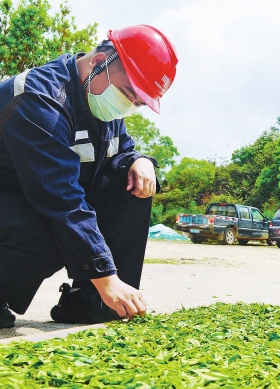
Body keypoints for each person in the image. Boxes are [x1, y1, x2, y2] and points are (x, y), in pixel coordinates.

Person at [0, 25, 178, 328]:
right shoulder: (38, 98)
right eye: (126, 94)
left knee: (133, 182)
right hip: (12, 200)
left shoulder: (101, 103)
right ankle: (104, 289)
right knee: (51, 227)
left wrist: (141, 160)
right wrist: (106, 277)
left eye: (136, 103)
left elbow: (122, 152)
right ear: (98, 63)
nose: (127, 106)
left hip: (33, 198)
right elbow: (59, 197)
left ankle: (89, 300)